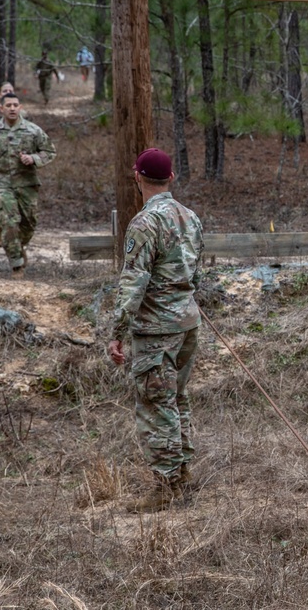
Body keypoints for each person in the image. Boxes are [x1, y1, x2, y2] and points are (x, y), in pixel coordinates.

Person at [107, 148, 204, 514]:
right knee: (177, 398)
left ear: (137, 177)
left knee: (155, 404)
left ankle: (166, 485)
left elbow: (133, 282)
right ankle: (182, 473)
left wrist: (117, 330)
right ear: (171, 178)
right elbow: (195, 272)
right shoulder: (190, 217)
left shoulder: (145, 223)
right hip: (187, 322)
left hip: (157, 329)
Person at [0, 92, 56, 278]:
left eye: (15, 105)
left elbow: (49, 151)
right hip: (0, 184)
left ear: (20, 108)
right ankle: (17, 265)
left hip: (27, 184)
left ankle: (14, 243)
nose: (12, 108)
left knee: (29, 223)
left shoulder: (33, 130)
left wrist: (33, 158)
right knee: (9, 223)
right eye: (8, 105)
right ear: (1, 109)